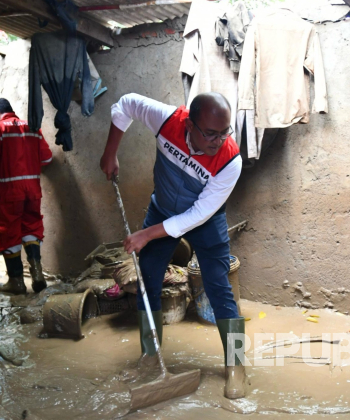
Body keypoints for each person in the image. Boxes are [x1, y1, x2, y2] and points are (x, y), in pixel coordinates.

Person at [99, 92, 246, 399]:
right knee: (147, 279)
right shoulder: (166, 119)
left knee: (219, 287)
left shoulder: (230, 161)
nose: (218, 141)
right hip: (164, 208)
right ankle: (150, 357)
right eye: (210, 133)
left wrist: (146, 235)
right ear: (190, 124)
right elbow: (124, 104)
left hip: (205, 220)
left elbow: (197, 215)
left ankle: (236, 365)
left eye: (224, 132)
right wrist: (111, 151)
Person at [0, 98, 53, 295]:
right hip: (33, 188)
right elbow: (47, 158)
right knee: (31, 227)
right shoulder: (32, 127)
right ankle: (37, 275)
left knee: (9, 231)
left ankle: (16, 282)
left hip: (9, 189)